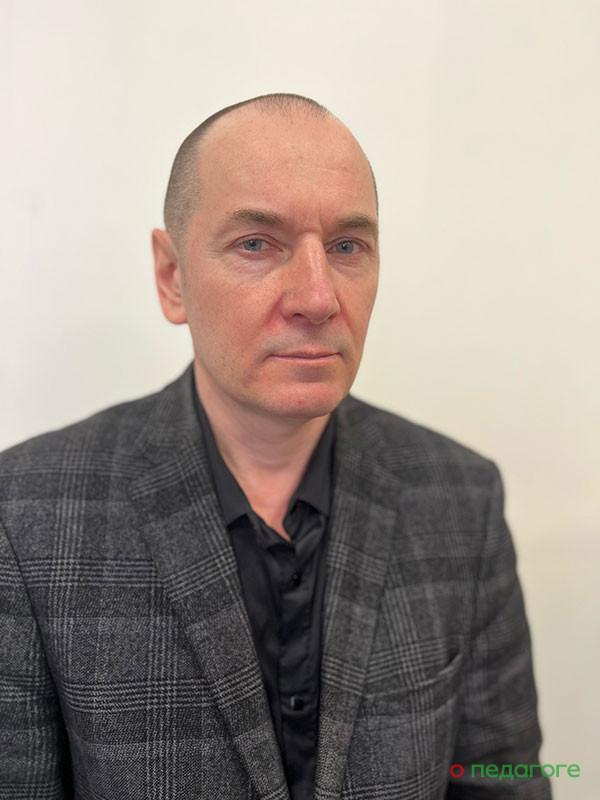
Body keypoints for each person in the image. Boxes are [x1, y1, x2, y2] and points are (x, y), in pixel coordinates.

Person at [0, 93, 551, 799]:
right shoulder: (28, 515)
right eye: (257, 244)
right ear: (172, 277)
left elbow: (502, 778)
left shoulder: (461, 500)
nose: (318, 297)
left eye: (347, 247)